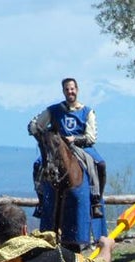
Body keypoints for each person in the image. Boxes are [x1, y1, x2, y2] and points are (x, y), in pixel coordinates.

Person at [28, 78, 106, 218]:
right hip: (57, 148)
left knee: (99, 164)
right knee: (38, 164)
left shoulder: (87, 112)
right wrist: (44, 137)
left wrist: (75, 139)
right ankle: (41, 201)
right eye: (67, 89)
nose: (70, 92)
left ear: (77, 90)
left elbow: (91, 137)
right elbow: (35, 125)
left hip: (81, 147)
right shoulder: (54, 110)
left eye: (72, 89)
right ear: (63, 91)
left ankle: (96, 201)